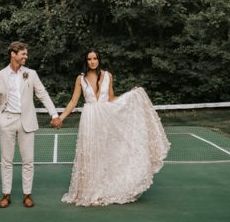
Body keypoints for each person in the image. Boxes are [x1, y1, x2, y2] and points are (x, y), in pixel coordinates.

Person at [55, 49, 169, 206]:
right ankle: (90, 192)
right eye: (89, 59)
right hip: (89, 118)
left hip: (105, 117)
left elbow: (111, 98)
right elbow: (73, 102)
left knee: (104, 154)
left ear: (99, 60)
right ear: (86, 61)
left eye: (95, 58)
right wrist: (61, 118)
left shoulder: (108, 76)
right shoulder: (80, 79)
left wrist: (130, 98)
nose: (92, 61)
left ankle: (101, 191)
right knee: (90, 153)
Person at [0, 41, 61, 208]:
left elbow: (42, 94)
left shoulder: (31, 74)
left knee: (28, 161)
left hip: (27, 121)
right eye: (23, 54)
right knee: (6, 160)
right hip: (7, 120)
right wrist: (0, 120)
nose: (26, 57)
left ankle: (27, 194)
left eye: (26, 54)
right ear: (13, 54)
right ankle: (6, 194)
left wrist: (54, 114)